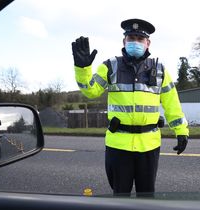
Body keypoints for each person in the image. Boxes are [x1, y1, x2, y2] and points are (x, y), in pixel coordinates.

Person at [71, 18, 189, 197]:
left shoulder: (160, 70)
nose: (135, 42)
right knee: (120, 196)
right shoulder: (110, 66)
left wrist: (181, 131)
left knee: (146, 197)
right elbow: (90, 91)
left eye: (140, 39)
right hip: (118, 147)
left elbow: (172, 103)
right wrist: (82, 68)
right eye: (131, 38)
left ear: (148, 43)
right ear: (124, 42)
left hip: (149, 146)